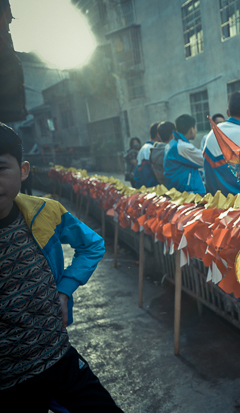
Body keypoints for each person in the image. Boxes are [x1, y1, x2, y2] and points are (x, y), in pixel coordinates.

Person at [0, 123, 123, 412]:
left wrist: (65, 289)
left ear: (23, 170)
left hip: (59, 357)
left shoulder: (46, 212)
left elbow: (92, 245)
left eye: (1, 168)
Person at [163, 114, 206, 194]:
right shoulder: (182, 146)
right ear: (191, 129)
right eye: (195, 127)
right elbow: (205, 160)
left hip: (179, 190)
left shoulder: (173, 143)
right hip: (188, 193)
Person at [133, 123, 161, 188]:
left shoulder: (146, 148)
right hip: (150, 189)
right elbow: (147, 175)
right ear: (158, 135)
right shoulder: (149, 149)